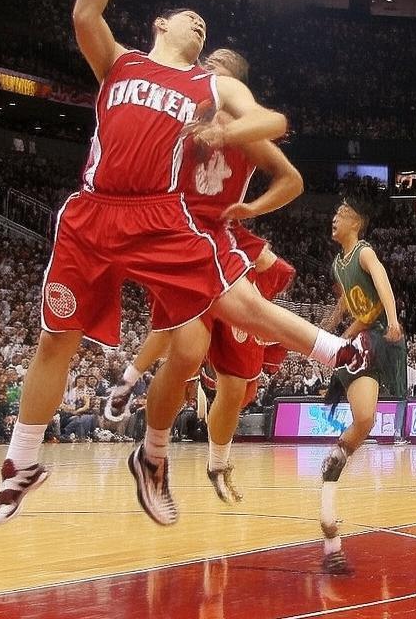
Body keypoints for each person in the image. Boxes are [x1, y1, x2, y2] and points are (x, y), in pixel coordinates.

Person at [0, 0, 365, 527]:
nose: (200, 25)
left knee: (224, 316)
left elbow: (273, 120)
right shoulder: (121, 61)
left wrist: (226, 136)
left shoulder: (208, 90)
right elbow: (84, 15)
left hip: (160, 216)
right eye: (190, 17)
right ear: (160, 24)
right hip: (92, 212)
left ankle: (329, 352)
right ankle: (21, 463)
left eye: (206, 27)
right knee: (56, 339)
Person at [102, 47, 302, 504]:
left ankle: (218, 463)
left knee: (234, 382)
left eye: (219, 64)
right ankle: (138, 411)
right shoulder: (177, 113)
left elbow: (292, 180)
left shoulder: (246, 132)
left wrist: (252, 208)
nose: (207, 66)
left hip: (225, 244)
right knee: (187, 351)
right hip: (176, 239)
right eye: (205, 62)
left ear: (235, 83)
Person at [317, 196, 408, 574]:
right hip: (364, 340)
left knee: (367, 420)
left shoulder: (364, 253)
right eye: (335, 212)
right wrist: (328, 333)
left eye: (342, 214)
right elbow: (352, 310)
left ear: (356, 223)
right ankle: (337, 456)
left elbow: (383, 284)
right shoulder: (337, 265)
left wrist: (393, 320)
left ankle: (338, 454)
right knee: (366, 417)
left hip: (381, 336)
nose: (334, 218)